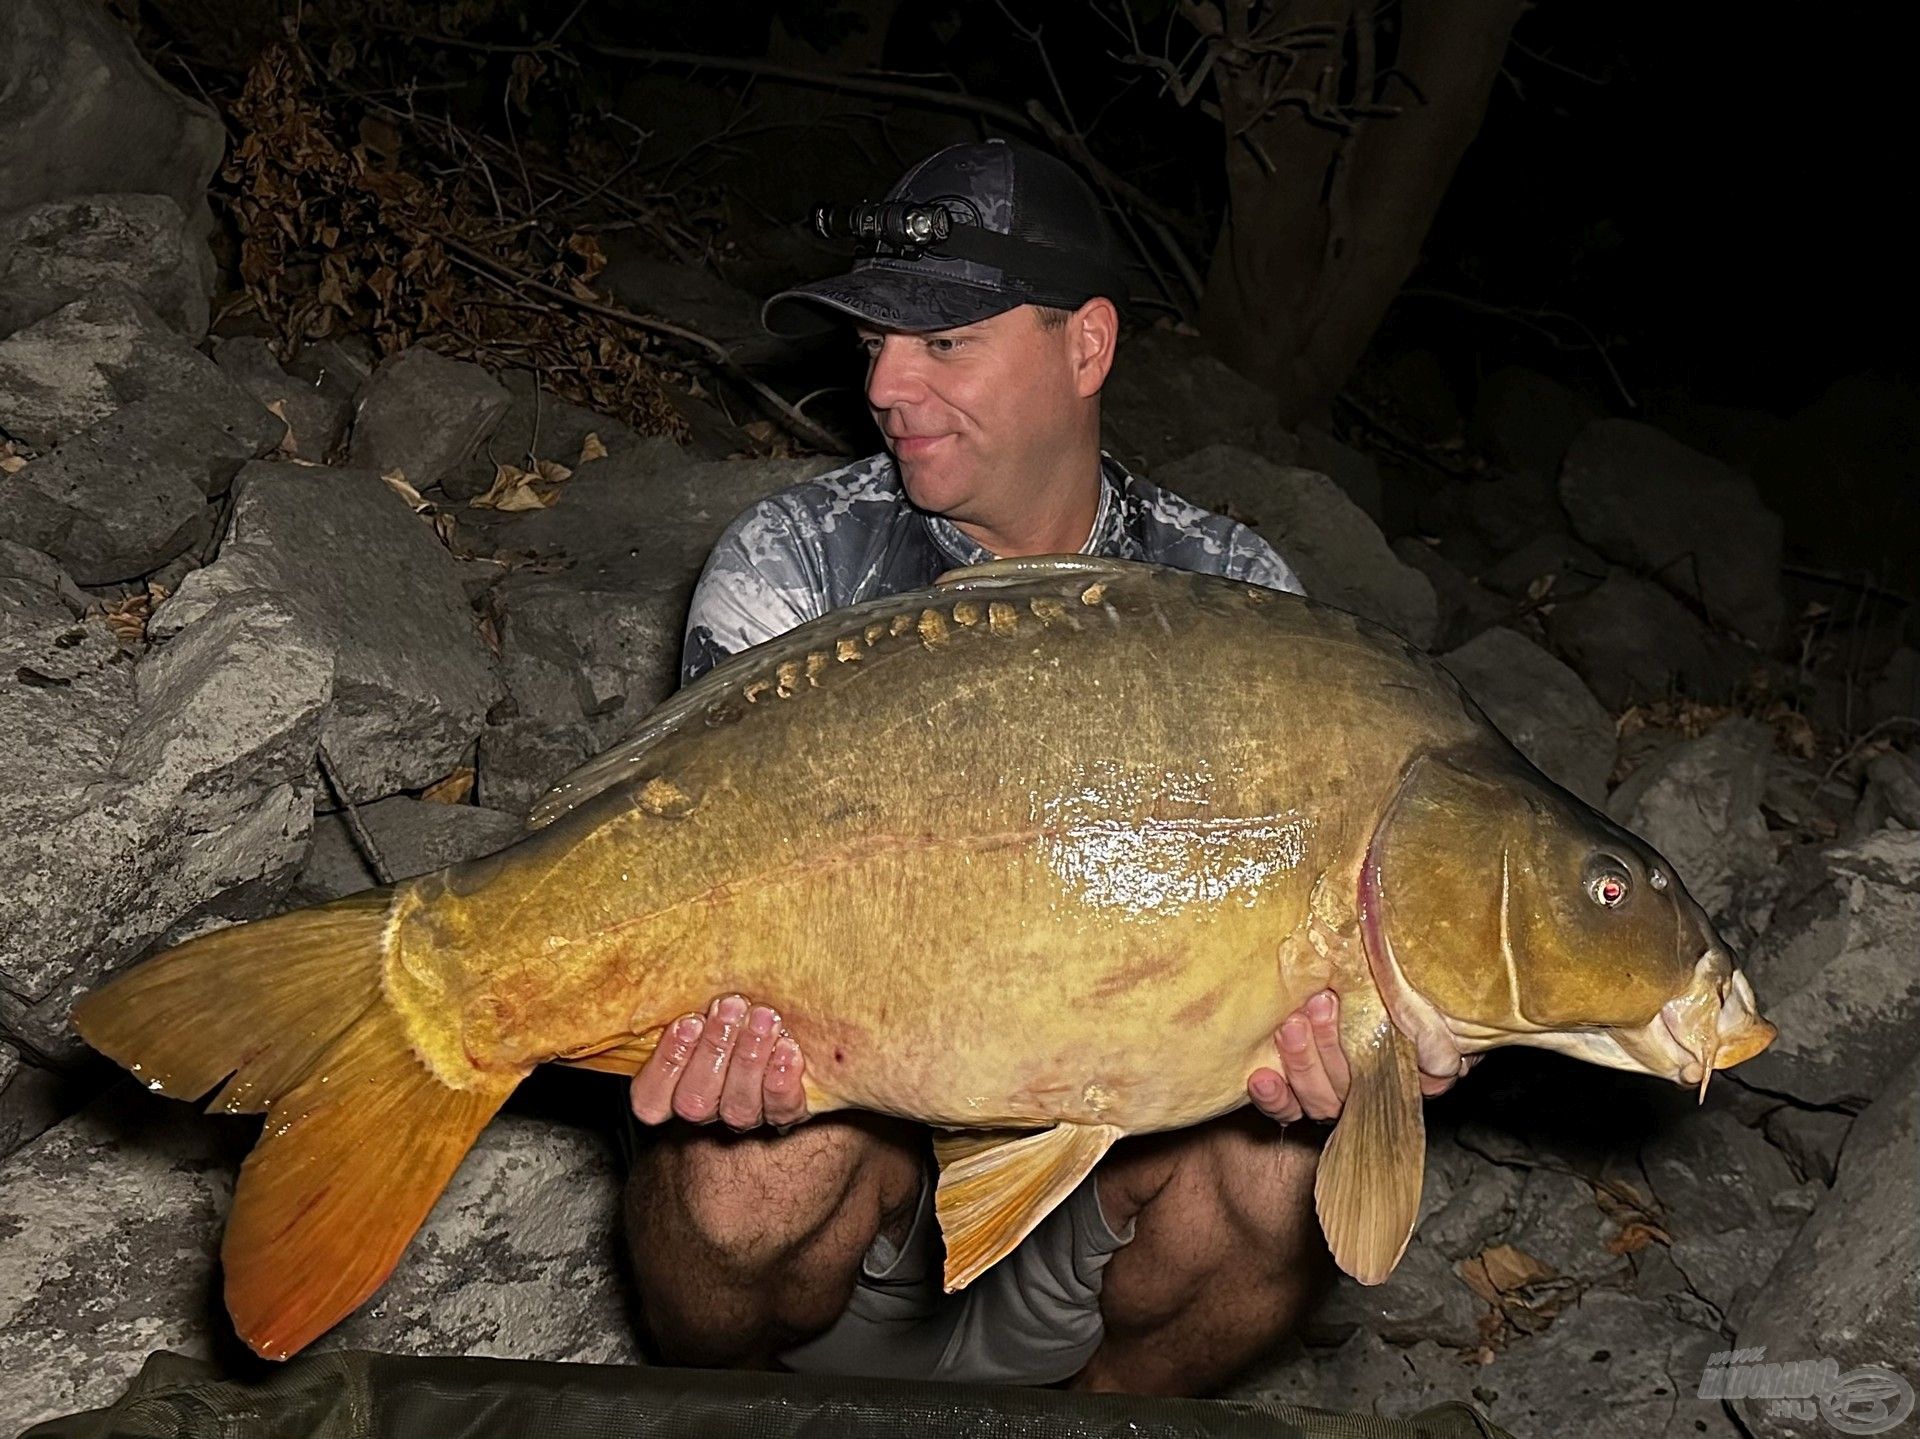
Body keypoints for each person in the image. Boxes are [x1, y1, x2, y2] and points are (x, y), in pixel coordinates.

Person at [621, 138, 1469, 1396]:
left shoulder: (1236, 602)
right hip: (865, 1203)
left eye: (945, 343)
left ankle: (1101, 1420)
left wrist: (1377, 1039)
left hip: (1104, 1218)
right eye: (872, 346)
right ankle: (765, 1414)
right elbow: (695, 893)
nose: (889, 389)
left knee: (1288, 1172)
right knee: (742, 1169)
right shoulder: (792, 567)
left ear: (1087, 348)